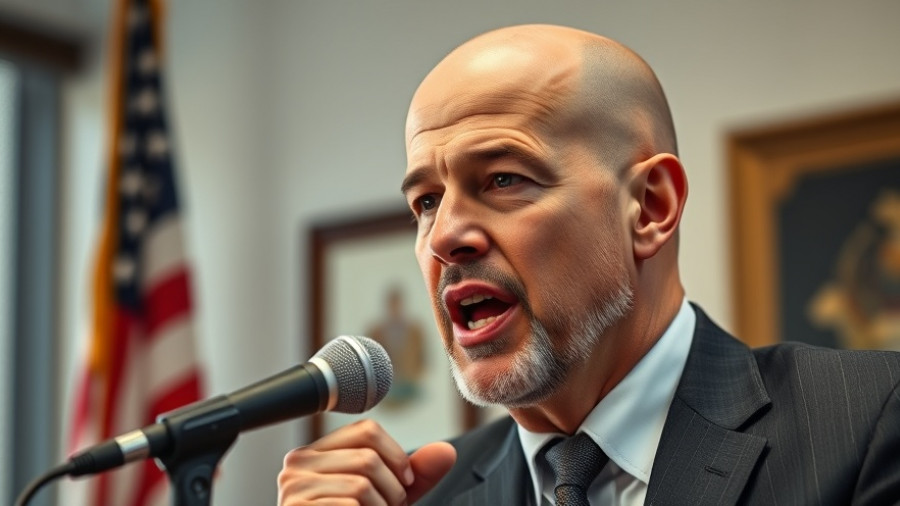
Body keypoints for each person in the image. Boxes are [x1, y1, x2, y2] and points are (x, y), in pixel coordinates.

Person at [277, 24, 900, 505]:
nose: (445, 237)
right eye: (427, 201)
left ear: (650, 207)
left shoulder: (869, 420)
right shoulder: (420, 494)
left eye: (502, 179)